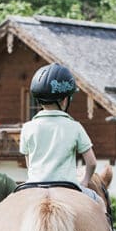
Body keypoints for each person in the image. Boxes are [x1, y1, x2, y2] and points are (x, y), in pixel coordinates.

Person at [20, 62, 101, 203]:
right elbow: (92, 162)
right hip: (68, 188)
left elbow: (30, 164)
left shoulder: (27, 127)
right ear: (65, 100)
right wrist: (85, 181)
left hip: (34, 187)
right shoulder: (75, 127)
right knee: (100, 202)